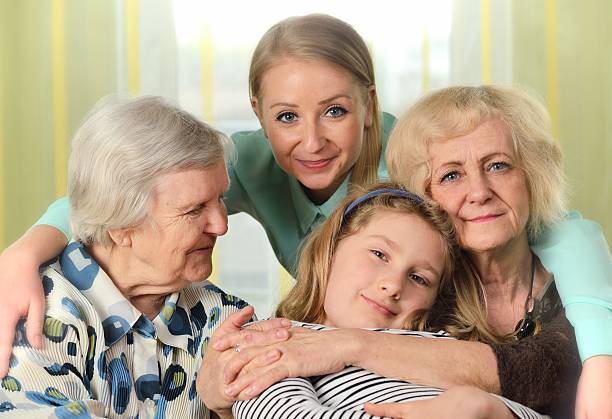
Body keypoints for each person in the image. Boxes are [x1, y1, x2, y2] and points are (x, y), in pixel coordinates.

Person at [0, 12, 609, 412]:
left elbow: (558, 228)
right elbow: (119, 193)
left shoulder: (414, 166)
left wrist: (595, 366)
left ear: (370, 104)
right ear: (259, 113)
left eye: (336, 112)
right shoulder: (241, 163)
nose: (312, 142)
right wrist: (23, 253)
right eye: (287, 116)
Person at [196, 86, 607, 419]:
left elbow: (547, 369)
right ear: (424, 198)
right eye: (451, 175)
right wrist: (219, 391)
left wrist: (350, 345)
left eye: (499, 165)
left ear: (532, 176)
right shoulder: (420, 302)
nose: (479, 192)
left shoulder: (586, 288)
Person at [0, 96, 252, 417]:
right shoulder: (35, 321)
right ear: (121, 226)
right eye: (194, 209)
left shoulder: (223, 316)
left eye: (221, 199)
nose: (221, 225)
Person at [226, 183, 546, 419]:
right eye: (379, 254)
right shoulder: (282, 338)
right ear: (332, 249)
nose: (393, 285)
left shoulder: (441, 348)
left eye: (419, 278)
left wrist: (489, 410)